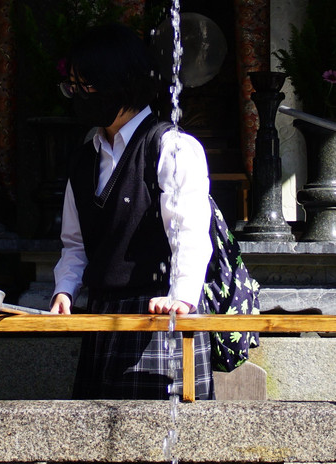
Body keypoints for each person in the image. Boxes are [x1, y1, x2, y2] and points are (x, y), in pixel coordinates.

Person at [50, 23, 214, 400]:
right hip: (102, 313)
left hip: (160, 310)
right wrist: (65, 290)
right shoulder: (84, 157)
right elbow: (75, 244)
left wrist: (182, 299)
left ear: (118, 82)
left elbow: (190, 234)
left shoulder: (171, 148)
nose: (75, 95)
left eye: (84, 85)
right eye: (71, 85)